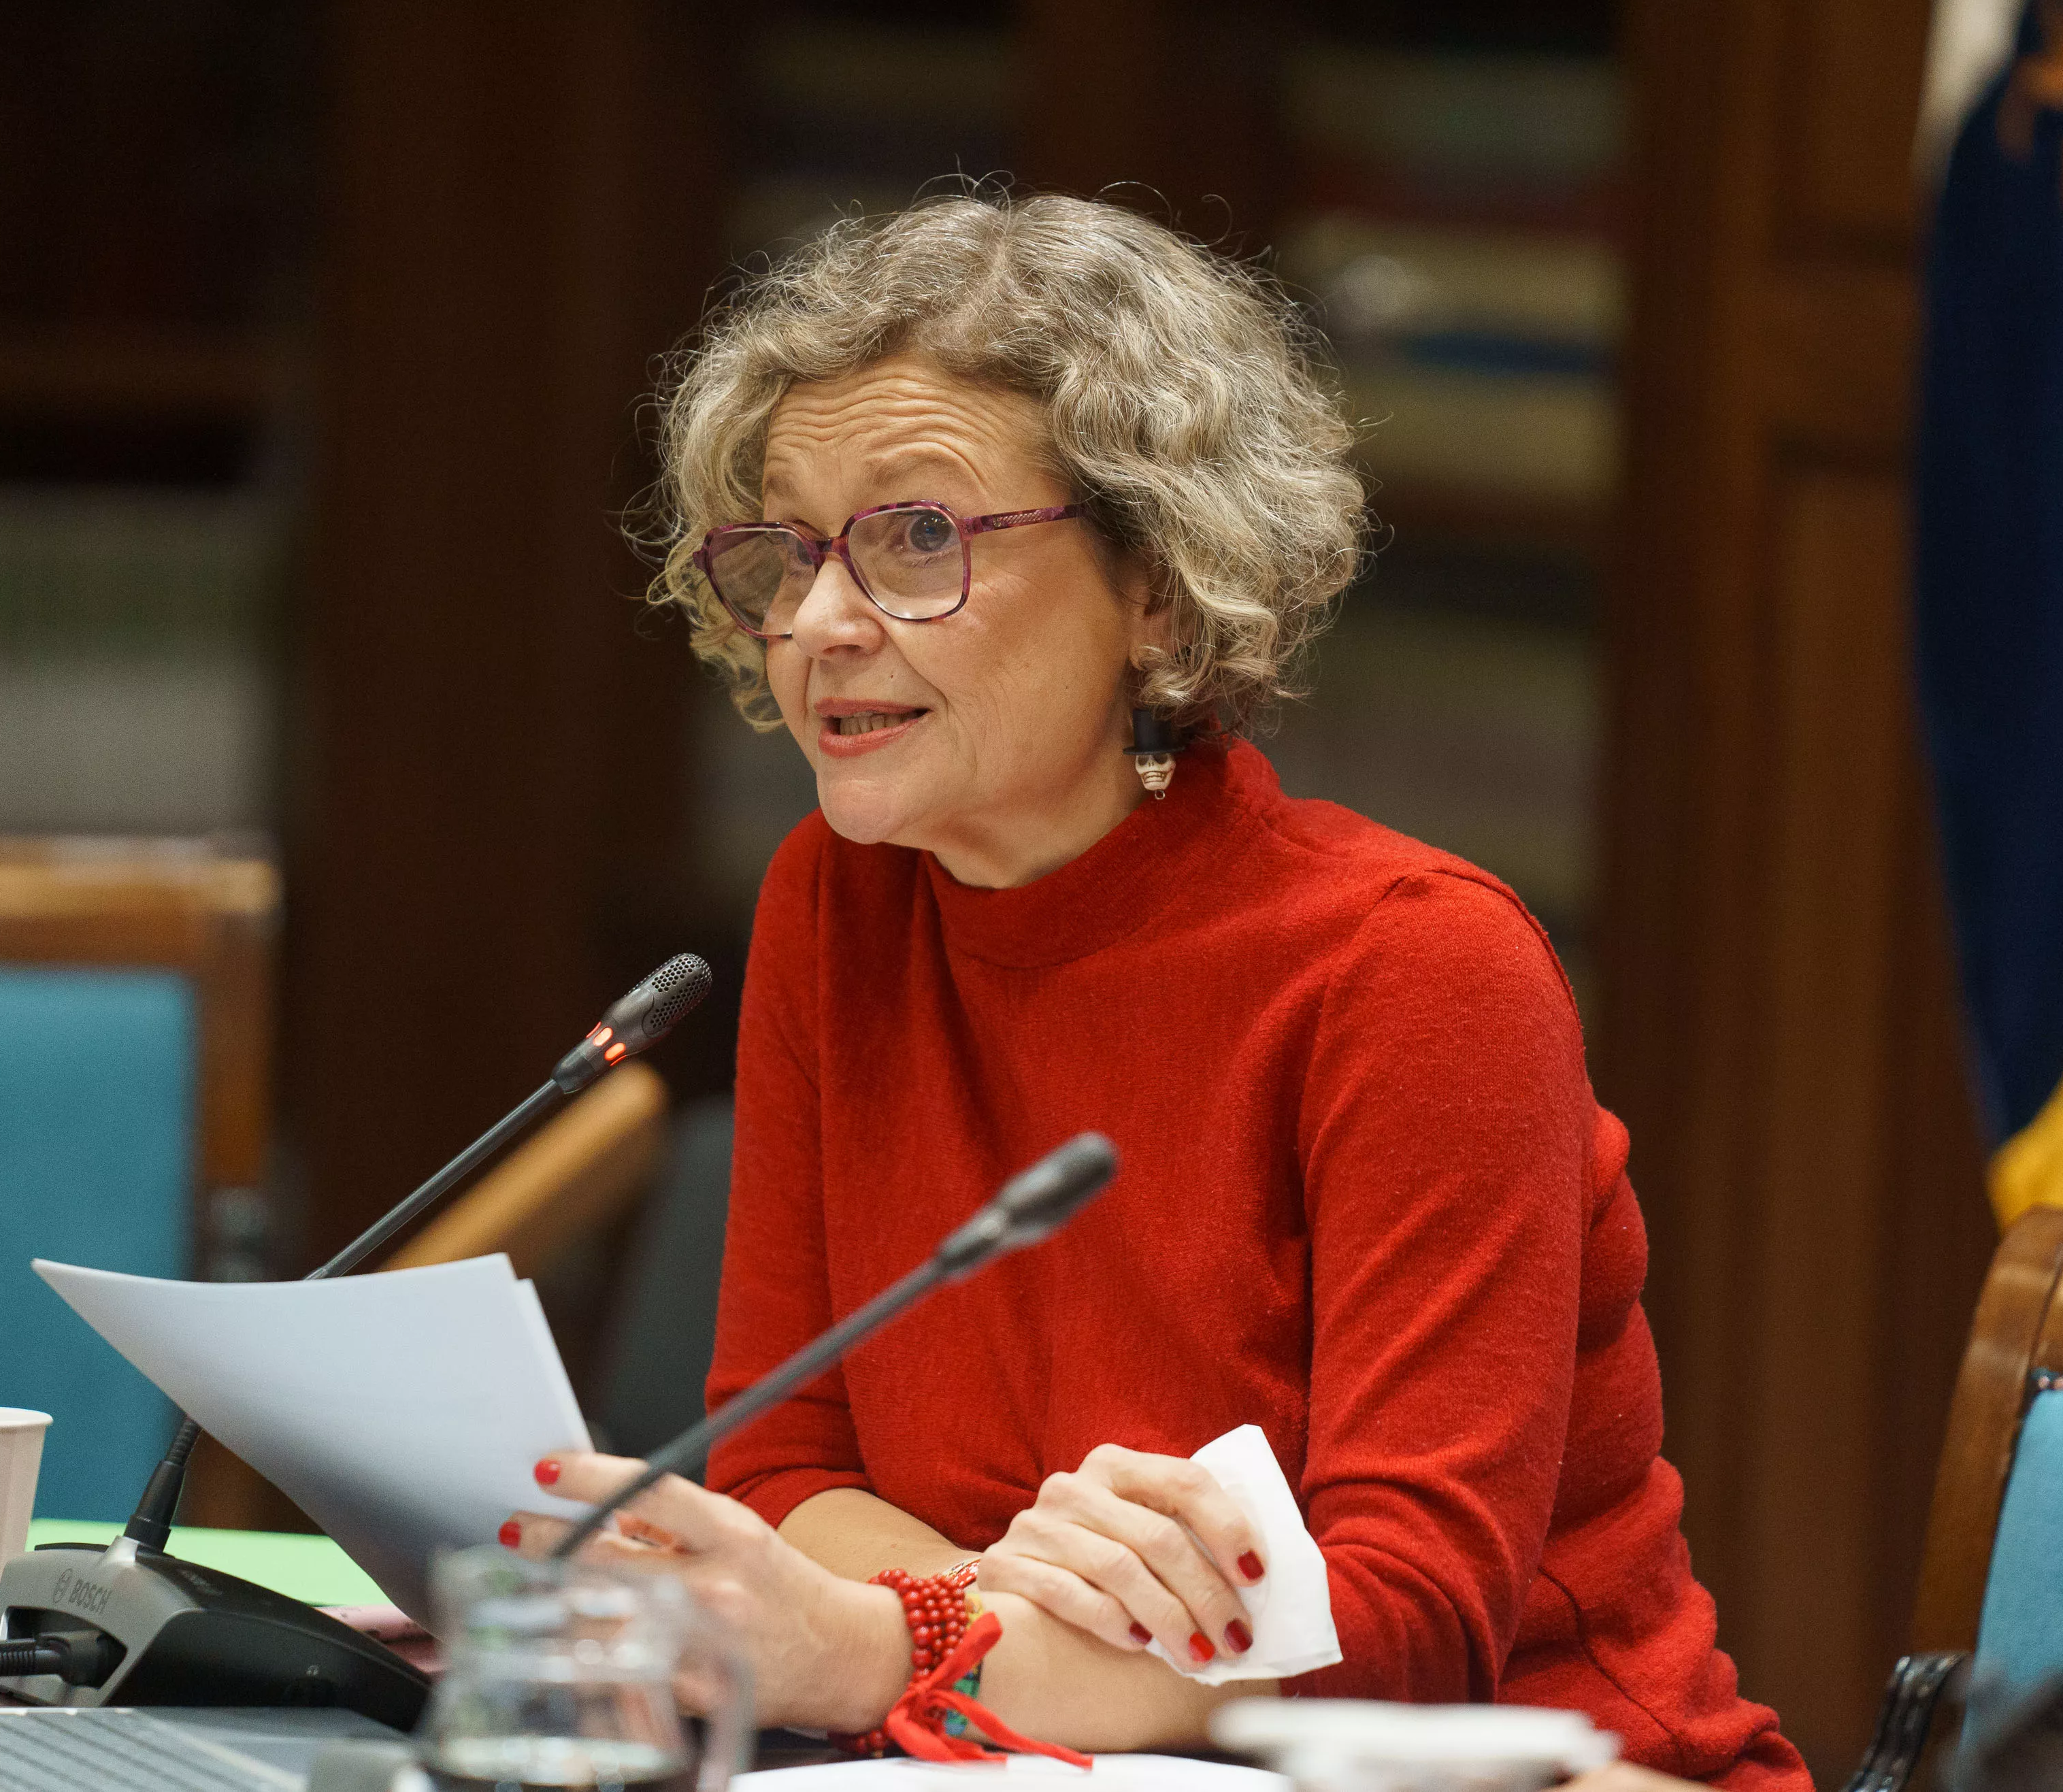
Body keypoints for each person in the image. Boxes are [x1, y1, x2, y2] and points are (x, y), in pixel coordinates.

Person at [507, 190, 1809, 1791]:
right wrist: (997, 1639)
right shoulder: (837, 901)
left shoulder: (1412, 966)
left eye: (918, 536)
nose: (822, 623)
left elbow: (1399, 1626)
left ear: (1159, 589)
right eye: (788, 548)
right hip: (1015, 1759)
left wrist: (884, 1640)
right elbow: (786, 1463)